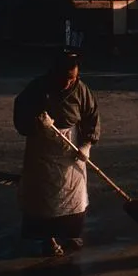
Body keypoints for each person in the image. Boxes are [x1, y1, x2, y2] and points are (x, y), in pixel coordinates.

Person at [13, 49, 100, 257]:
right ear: (55, 73)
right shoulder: (38, 88)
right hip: (43, 146)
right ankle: (48, 238)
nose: (68, 83)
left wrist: (87, 144)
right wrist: (37, 123)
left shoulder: (81, 89)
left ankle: (70, 233)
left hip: (72, 146)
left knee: (73, 194)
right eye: (65, 79)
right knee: (45, 196)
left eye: (73, 79)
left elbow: (92, 115)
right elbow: (21, 112)